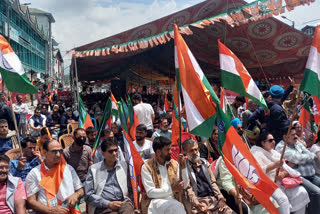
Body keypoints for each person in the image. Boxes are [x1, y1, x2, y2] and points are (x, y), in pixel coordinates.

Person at [252, 132, 309, 214]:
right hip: (269, 184)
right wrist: (274, 166)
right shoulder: (256, 153)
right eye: (270, 140)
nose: (273, 142)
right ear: (263, 143)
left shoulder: (274, 152)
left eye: (274, 140)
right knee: (283, 200)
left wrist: (283, 173)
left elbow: (286, 167)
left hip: (284, 181)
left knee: (302, 192)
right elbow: (258, 171)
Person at [26, 139, 84, 213]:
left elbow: (80, 190)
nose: (58, 155)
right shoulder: (35, 173)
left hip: (69, 211)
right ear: (44, 152)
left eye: (60, 151)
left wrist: (75, 195)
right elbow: (31, 201)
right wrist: (49, 210)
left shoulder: (68, 169)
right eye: (54, 151)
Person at [182, 139, 234, 214]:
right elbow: (188, 189)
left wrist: (220, 198)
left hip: (212, 200)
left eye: (196, 149)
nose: (195, 153)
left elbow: (213, 183)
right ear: (185, 153)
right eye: (191, 151)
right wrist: (197, 203)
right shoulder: (184, 167)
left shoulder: (205, 163)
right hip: (197, 202)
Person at [275, 127, 320, 214]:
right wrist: (304, 157)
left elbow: (311, 156)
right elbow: (299, 158)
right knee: (317, 193)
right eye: (293, 135)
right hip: (299, 177)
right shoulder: (281, 147)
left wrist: (301, 159)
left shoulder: (298, 144)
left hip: (312, 175)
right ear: (285, 137)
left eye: (296, 134)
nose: (296, 136)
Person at [141, 136, 188, 214]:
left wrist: (184, 168)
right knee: (175, 206)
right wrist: (171, 189)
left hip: (173, 200)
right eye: (167, 150)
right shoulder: (147, 167)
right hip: (154, 202)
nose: (171, 152)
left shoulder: (174, 164)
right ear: (158, 152)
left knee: (176, 206)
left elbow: (184, 185)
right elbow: (150, 193)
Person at [85, 139, 134, 214]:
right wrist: (108, 204)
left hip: (123, 202)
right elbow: (88, 196)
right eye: (111, 151)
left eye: (116, 150)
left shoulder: (124, 166)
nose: (114, 153)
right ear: (103, 153)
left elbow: (131, 188)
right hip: (103, 206)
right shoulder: (93, 169)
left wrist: (132, 203)